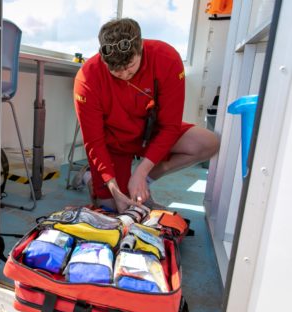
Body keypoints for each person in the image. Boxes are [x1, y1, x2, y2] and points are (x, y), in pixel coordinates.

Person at [73, 18, 219, 212]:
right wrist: (114, 188)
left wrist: (141, 173)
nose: (124, 74)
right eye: (116, 71)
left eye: (130, 66)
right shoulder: (87, 78)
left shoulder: (167, 59)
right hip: (114, 142)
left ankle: (145, 180)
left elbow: (170, 126)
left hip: (151, 133)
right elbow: (94, 142)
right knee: (113, 208)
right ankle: (90, 176)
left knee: (208, 142)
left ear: (140, 46)